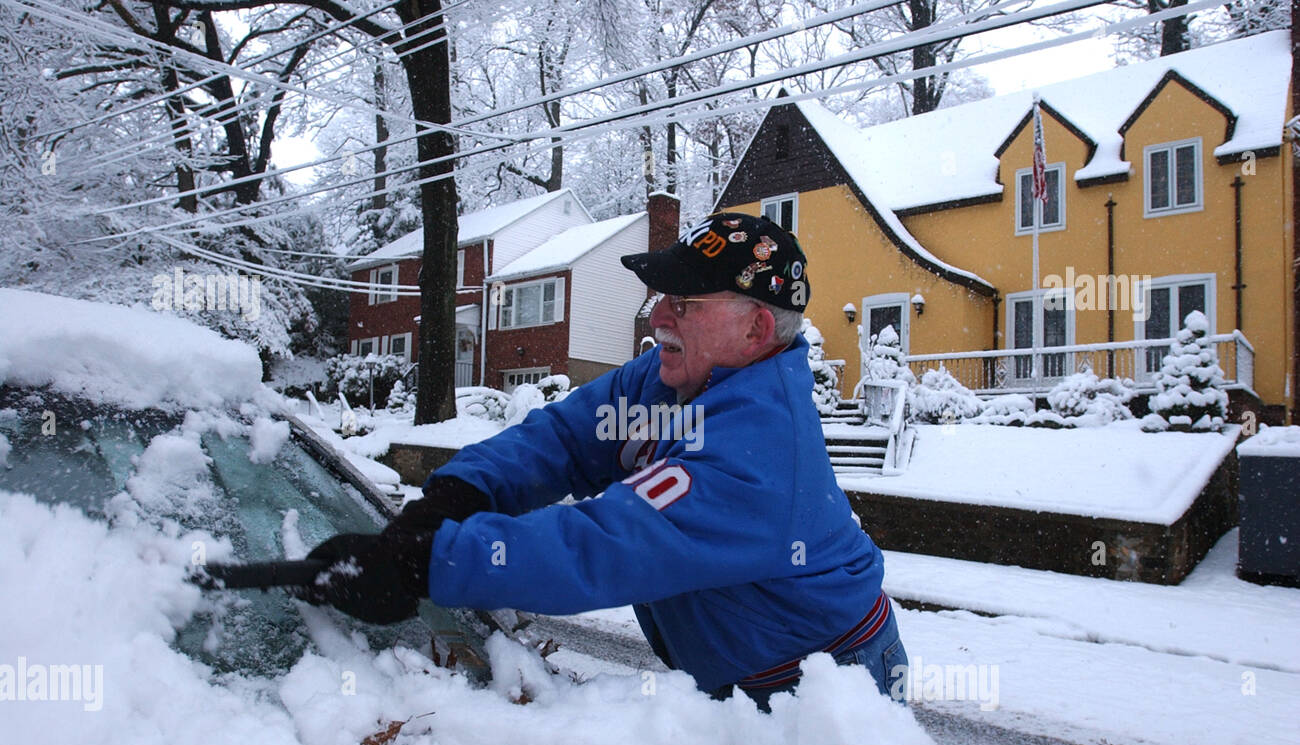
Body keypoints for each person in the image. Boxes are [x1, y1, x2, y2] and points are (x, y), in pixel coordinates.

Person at [301, 212, 907, 710]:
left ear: (755, 329)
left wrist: (428, 562)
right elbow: (564, 438)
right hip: (741, 673)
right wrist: (456, 497)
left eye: (686, 302)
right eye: (663, 295)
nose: (658, 316)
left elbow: (604, 547)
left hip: (823, 688)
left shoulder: (760, 447)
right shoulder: (675, 379)